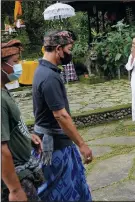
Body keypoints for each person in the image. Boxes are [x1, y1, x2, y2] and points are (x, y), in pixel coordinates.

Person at [32, 30, 93, 201]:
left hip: (56, 142)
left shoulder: (44, 71)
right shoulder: (49, 77)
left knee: (72, 186)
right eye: (69, 48)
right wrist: (82, 144)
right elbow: (61, 116)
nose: (70, 53)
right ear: (58, 49)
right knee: (59, 192)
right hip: (55, 148)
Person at [1, 39, 44, 201]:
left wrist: (26, 137)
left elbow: (11, 126)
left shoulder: (4, 90)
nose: (19, 67)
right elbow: (1, 149)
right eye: (15, 62)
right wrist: (15, 190)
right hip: (17, 177)